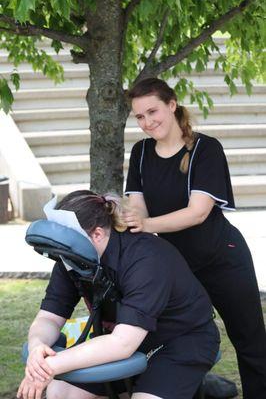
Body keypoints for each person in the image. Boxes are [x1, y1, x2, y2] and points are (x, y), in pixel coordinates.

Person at [124, 77, 266, 399]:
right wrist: (134, 218)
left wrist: (145, 225)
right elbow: (137, 202)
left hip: (222, 259)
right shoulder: (140, 152)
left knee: (250, 341)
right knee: (176, 339)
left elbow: (197, 212)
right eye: (140, 117)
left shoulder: (206, 149)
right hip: (176, 268)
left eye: (153, 111)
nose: (147, 122)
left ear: (172, 105)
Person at [17, 190, 220, 399]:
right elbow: (49, 317)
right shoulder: (70, 255)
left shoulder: (146, 258)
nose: (63, 250)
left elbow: (123, 344)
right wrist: (37, 348)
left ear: (97, 233)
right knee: (60, 392)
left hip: (181, 340)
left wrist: (49, 366)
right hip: (127, 338)